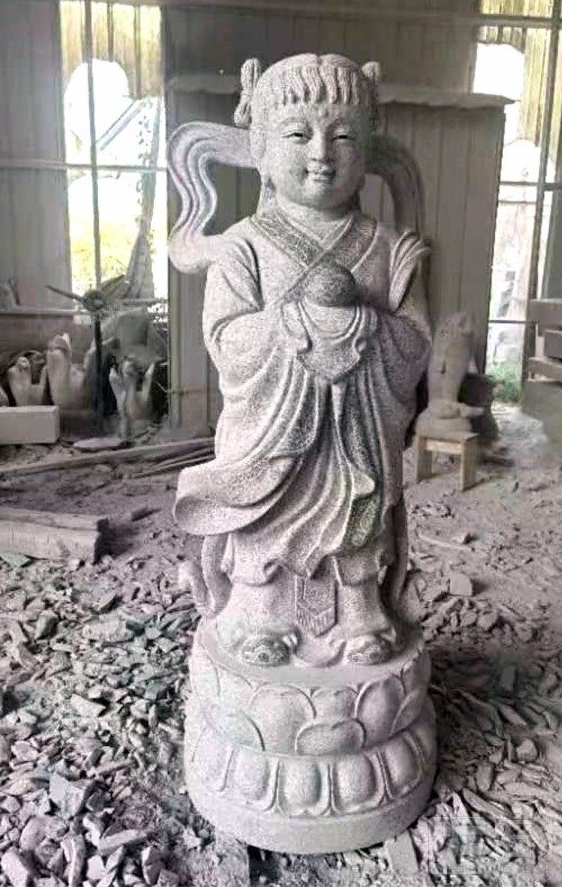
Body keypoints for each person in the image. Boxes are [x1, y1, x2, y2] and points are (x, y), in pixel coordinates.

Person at [174, 54, 430, 667]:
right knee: (266, 522)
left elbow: (415, 341)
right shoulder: (244, 246)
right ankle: (258, 614)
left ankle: (361, 616)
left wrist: (362, 327)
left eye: (343, 137)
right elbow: (226, 338)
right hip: (274, 430)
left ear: (367, 149)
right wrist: (298, 326)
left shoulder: (387, 247)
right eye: (297, 135)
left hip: (355, 434)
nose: (321, 154)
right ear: (261, 149)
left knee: (357, 516)